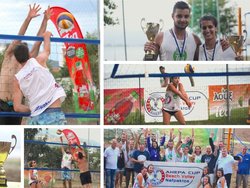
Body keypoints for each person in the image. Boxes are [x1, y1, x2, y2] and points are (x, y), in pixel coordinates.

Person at [0, 4, 51, 125]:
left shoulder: (26, 61)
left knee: (13, 136)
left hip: (17, 106)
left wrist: (45, 20)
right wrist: (28, 18)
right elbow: (19, 37)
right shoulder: (8, 56)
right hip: (1, 103)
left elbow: (38, 41)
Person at [13, 31, 67, 125]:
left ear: (17, 60)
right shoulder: (38, 61)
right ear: (29, 54)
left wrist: (34, 108)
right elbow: (47, 50)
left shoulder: (17, 79)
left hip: (35, 118)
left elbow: (17, 107)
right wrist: (46, 36)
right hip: (54, 113)